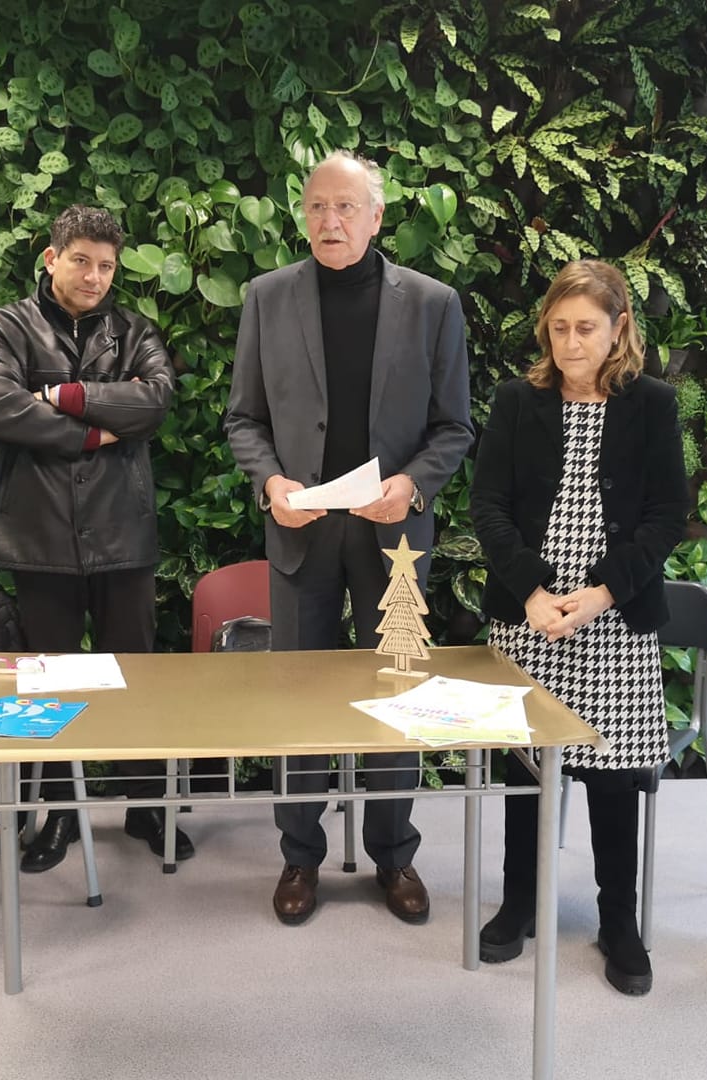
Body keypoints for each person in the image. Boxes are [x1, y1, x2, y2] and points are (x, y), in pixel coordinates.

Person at [224, 150, 473, 926]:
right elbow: (244, 418)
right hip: (301, 532)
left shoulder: (432, 304)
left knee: (398, 693)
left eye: (345, 207)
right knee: (298, 695)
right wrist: (271, 484)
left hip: (394, 538)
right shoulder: (267, 298)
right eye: (316, 207)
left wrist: (414, 485)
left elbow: (453, 427)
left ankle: (393, 853)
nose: (329, 221)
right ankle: (300, 855)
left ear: (376, 216)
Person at [469, 260, 688, 994]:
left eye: (586, 328)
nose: (570, 343)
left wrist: (602, 594)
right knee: (525, 769)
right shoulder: (515, 401)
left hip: (614, 617)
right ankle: (519, 904)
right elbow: (488, 506)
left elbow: (667, 515)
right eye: (559, 328)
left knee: (613, 776)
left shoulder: (652, 404)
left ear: (619, 328)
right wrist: (531, 591)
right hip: (530, 617)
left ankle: (618, 920)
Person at [0, 205, 190, 870]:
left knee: (135, 676)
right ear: (51, 258)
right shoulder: (4, 326)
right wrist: (97, 427)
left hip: (123, 530)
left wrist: (58, 396)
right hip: (36, 535)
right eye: (82, 261)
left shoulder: (135, 330)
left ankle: (147, 805)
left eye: (106, 266)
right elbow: (1, 410)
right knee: (51, 687)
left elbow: (154, 401)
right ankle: (61, 815)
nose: (95, 277)